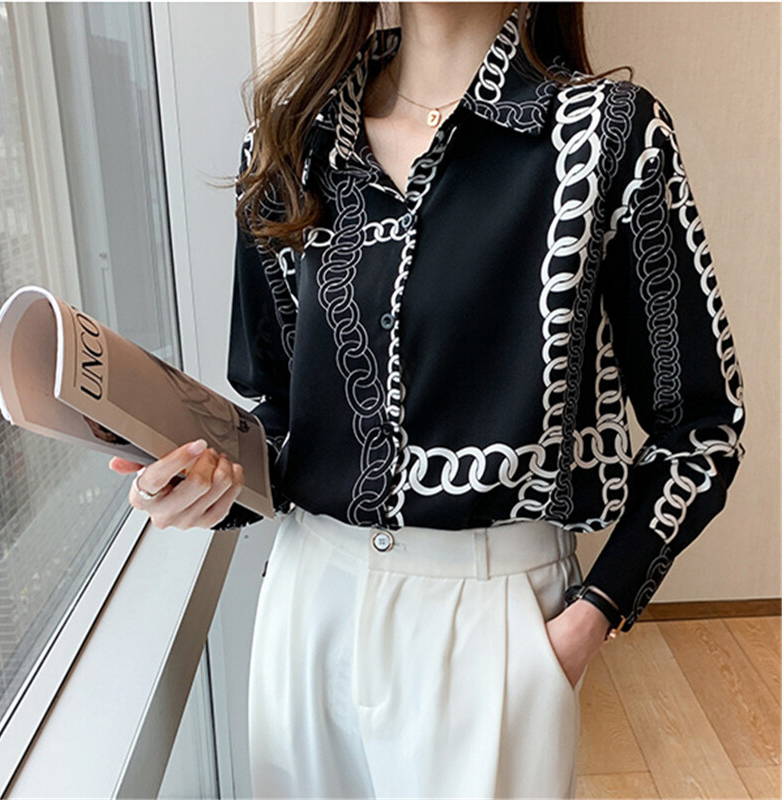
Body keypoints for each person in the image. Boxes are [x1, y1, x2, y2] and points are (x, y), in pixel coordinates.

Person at [109, 2, 747, 797]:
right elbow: (282, 414)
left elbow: (702, 429)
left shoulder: (610, 136)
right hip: (308, 605)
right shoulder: (292, 139)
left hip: (493, 619)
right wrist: (206, 485)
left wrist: (594, 613)